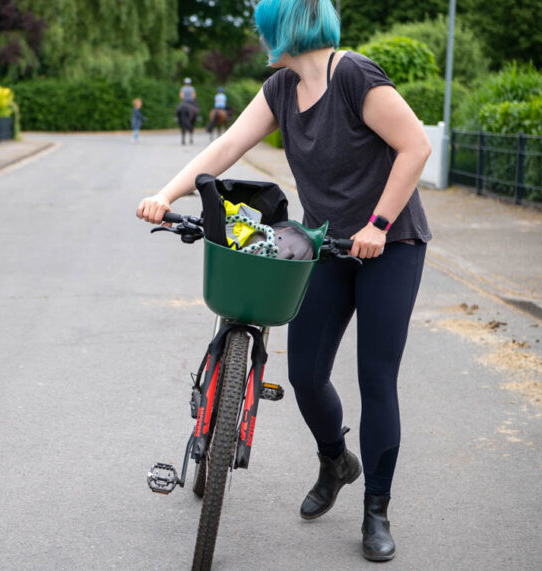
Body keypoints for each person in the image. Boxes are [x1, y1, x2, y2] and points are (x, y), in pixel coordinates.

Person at [137, 0, 431, 562]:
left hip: (389, 246)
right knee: (305, 375)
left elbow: (415, 145)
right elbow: (224, 148)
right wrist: (166, 194)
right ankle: (336, 460)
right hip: (327, 247)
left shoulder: (354, 76)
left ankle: (376, 510)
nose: (257, 32)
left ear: (287, 26)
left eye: (263, 22)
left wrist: (378, 223)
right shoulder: (281, 90)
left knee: (376, 378)